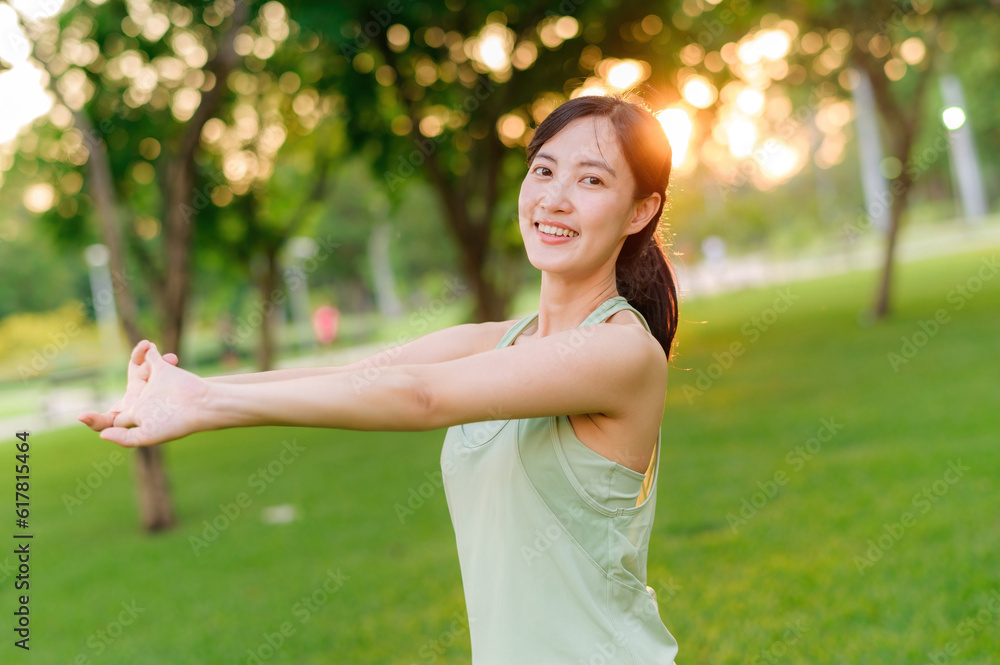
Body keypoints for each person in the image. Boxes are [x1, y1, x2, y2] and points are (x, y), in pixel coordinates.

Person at [78, 93, 681, 664]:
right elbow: (352, 375)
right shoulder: (496, 340)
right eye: (544, 171)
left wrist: (208, 403)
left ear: (640, 210)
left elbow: (419, 396)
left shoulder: (621, 353)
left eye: (592, 179)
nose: (555, 199)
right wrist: (187, 390)